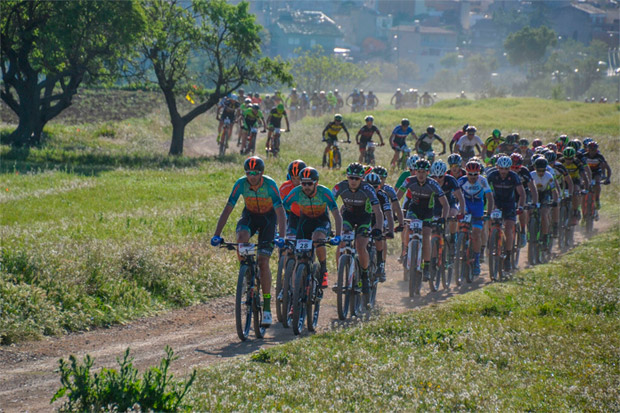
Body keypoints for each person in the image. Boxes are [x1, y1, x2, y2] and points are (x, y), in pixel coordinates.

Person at [211, 156, 286, 327]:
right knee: (241, 237)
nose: (252, 176)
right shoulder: (240, 184)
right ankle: (245, 272)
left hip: (268, 220)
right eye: (249, 173)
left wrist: (282, 237)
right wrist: (217, 234)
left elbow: (280, 212)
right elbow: (228, 208)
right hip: (250, 216)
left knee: (263, 261)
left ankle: (266, 308)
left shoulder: (270, 184)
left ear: (262, 173)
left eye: (255, 173)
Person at [283, 167, 342, 288]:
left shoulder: (324, 192)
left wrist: (338, 236)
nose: (306, 187)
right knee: (300, 259)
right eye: (303, 183)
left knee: (317, 238)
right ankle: (296, 295)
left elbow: (336, 214)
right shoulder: (296, 192)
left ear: (316, 183)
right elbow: (282, 208)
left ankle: (323, 269)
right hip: (304, 223)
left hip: (321, 221)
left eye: (309, 183)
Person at [332, 163, 385, 295]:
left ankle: (365, 276)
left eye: (357, 178)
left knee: (361, 246)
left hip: (364, 218)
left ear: (362, 179)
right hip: (348, 217)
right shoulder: (340, 187)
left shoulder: (367, 188)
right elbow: (329, 205)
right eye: (351, 178)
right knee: (341, 243)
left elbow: (378, 211)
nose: (354, 181)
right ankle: (340, 276)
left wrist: (378, 228)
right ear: (347, 177)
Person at [398, 159, 450, 281]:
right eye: (418, 171)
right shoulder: (409, 181)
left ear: (428, 172)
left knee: (426, 235)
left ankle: (426, 265)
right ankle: (405, 251)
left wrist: (444, 218)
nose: (421, 175)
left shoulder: (433, 184)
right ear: (415, 172)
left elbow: (445, 204)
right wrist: (395, 213)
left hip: (427, 212)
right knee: (407, 226)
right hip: (414, 210)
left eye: (423, 172)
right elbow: (397, 198)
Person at [486, 156, 526, 271]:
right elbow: (485, 190)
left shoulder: (513, 176)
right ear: (497, 167)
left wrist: (521, 206)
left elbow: (522, 193)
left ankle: (508, 256)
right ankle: (491, 240)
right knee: (490, 220)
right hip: (496, 203)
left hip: (509, 204)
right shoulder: (492, 175)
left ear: (509, 168)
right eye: (501, 168)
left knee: (508, 229)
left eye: (506, 169)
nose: (503, 172)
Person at [457, 160, 494, 275]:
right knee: (461, 226)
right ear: (466, 173)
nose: (472, 177)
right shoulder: (461, 181)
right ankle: (459, 247)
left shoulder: (483, 181)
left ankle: (477, 260)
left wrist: (489, 213)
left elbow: (489, 197)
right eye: (470, 174)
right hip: (466, 204)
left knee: (477, 233)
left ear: (479, 173)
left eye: (475, 174)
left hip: (478, 205)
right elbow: (454, 195)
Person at [430, 160, 466, 250]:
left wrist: (461, 212)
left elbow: (460, 198)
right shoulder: (429, 181)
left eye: (440, 177)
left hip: (450, 203)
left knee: (452, 216)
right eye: (435, 177)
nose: (437, 180)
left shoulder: (451, 180)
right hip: (436, 205)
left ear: (445, 174)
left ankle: (453, 238)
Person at [364, 172, 393, 282]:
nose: (372, 189)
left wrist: (390, 230)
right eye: (369, 186)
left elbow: (388, 213)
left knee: (379, 235)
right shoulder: (361, 193)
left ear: (379, 186)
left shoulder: (382, 195)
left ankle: (380, 263)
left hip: (379, 218)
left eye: (375, 187)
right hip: (365, 218)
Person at [510, 153, 538, 247]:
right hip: (511, 193)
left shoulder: (525, 172)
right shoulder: (506, 172)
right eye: (512, 167)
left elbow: (533, 188)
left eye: (516, 167)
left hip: (524, 193)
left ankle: (522, 232)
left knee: (523, 210)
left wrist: (534, 202)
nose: (514, 170)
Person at [583, 141, 611, 214]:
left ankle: (597, 199)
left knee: (597, 182)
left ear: (596, 150)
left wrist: (608, 178)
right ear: (587, 149)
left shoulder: (599, 157)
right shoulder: (584, 156)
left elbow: (607, 168)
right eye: (590, 150)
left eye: (594, 150)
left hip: (596, 173)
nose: (592, 152)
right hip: (587, 172)